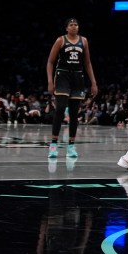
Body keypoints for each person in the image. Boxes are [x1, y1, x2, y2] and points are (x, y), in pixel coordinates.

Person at [46, 18, 98, 159]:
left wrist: (93, 82)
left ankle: (71, 146)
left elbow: (87, 62)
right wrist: (50, 81)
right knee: (61, 109)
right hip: (62, 75)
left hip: (78, 77)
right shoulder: (60, 40)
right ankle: (53, 145)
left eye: (76, 24)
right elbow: (50, 62)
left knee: (74, 113)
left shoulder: (84, 41)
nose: (74, 27)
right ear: (66, 28)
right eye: (71, 25)